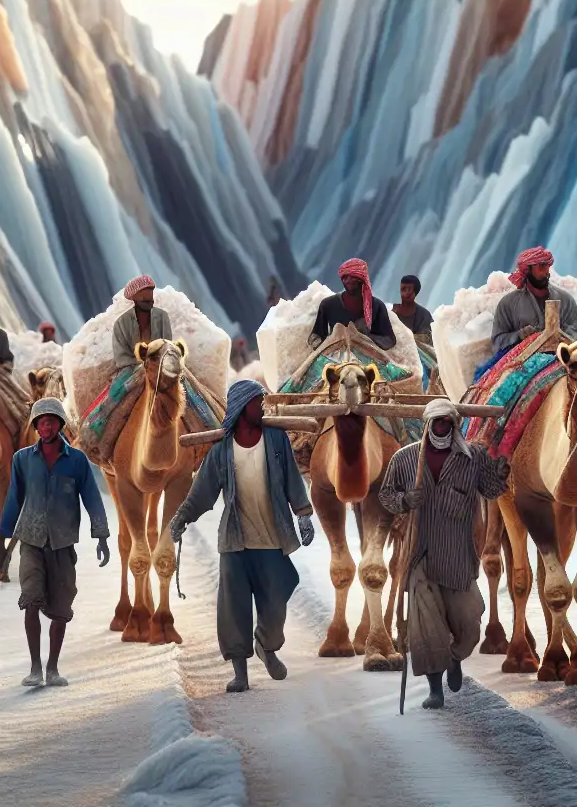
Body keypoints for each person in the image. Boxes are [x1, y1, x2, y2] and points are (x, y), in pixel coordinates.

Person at [169, 380, 315, 693]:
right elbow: (203, 491)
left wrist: (303, 514)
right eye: (256, 402)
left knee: (279, 594)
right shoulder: (222, 450)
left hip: (272, 539)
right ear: (240, 408)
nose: (261, 407)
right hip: (235, 542)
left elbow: (291, 478)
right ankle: (240, 673)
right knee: (234, 608)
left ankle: (266, 644)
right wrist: (182, 516)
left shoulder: (276, 441)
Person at [379, 400, 510, 709]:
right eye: (436, 423)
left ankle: (454, 658)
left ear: (454, 425)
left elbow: (491, 490)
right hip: (419, 557)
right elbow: (386, 495)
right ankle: (434, 689)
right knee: (427, 628)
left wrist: (502, 470)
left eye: (446, 423)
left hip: (458, 558)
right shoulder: (406, 458)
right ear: (427, 425)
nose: (441, 428)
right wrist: (404, 500)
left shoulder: (473, 457)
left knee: (470, 623)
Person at [0, 398, 111, 688]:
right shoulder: (22, 459)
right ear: (36, 426)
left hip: (62, 545)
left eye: (52, 420)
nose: (46, 425)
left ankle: (52, 668)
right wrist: (2, 541)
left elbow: (93, 500)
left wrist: (102, 535)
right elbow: (13, 499)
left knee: (61, 608)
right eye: (41, 421)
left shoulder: (77, 461)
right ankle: (34, 668)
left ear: (60, 424)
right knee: (31, 600)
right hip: (31, 542)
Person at [491, 247, 577, 357]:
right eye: (541, 266)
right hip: (523, 366)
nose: (546, 273)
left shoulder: (566, 300)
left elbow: (576, 335)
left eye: (548, 267)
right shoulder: (508, 304)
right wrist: (520, 335)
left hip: (561, 361)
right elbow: (497, 342)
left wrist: (562, 337)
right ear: (527, 270)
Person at [308, 259, 396, 351]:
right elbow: (316, 336)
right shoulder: (328, 305)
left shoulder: (377, 306)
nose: (349, 281)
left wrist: (362, 338)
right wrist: (332, 343)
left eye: (353, 277)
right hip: (334, 357)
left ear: (363, 278)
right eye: (345, 277)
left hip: (368, 358)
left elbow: (389, 340)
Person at [112, 275, 172, 369]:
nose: (150, 300)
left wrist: (158, 361)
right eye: (144, 297)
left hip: (161, 366)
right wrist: (142, 363)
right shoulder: (121, 324)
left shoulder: (162, 317)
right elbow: (121, 358)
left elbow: (168, 346)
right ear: (134, 298)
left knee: (182, 381)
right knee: (120, 384)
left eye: (151, 295)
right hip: (132, 369)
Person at [392, 275, 434, 342]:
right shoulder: (393, 312)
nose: (405, 293)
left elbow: (426, 340)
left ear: (415, 292)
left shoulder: (424, 315)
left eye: (409, 290)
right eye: (403, 289)